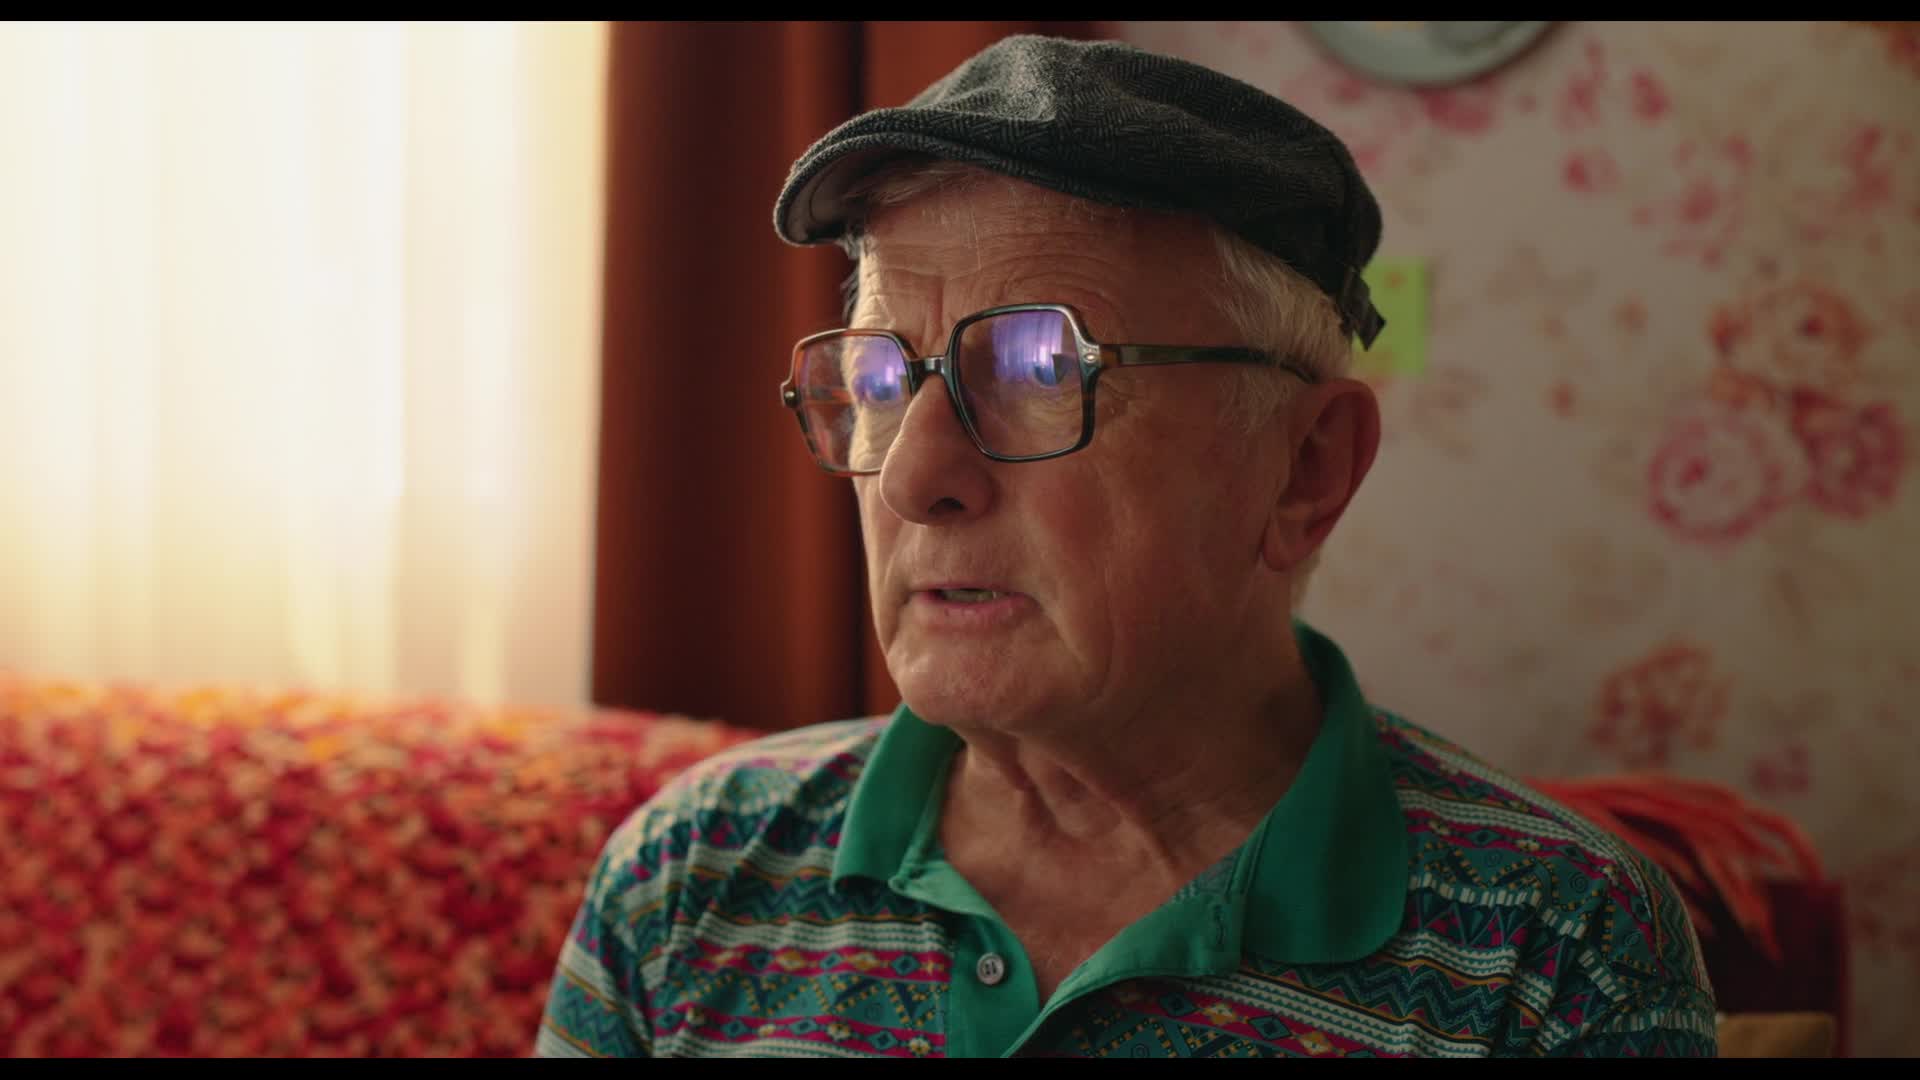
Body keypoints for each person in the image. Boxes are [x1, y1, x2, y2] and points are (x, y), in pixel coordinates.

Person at [533, 34, 1718, 1058]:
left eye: (1038, 367)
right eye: (882, 377)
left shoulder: (1561, 949)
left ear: (1304, 471)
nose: (912, 477)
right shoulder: (689, 873)